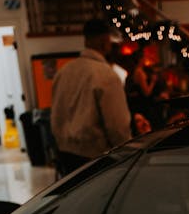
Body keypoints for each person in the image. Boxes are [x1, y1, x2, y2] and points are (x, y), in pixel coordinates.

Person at [49, 18, 132, 176]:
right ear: (104, 41)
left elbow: (55, 115)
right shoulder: (106, 75)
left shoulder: (63, 71)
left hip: (65, 155)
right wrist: (127, 155)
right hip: (95, 158)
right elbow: (117, 125)